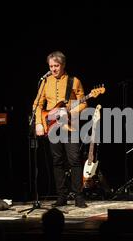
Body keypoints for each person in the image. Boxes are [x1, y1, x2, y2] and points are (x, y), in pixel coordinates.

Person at [32, 51, 88, 208]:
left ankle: (78, 196)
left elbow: (84, 103)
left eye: (56, 66)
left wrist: (70, 111)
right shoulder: (45, 82)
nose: (53, 69)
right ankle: (61, 196)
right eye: (51, 66)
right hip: (51, 125)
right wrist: (39, 123)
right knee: (57, 161)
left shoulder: (74, 81)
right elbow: (37, 105)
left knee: (74, 160)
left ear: (63, 65)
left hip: (70, 125)